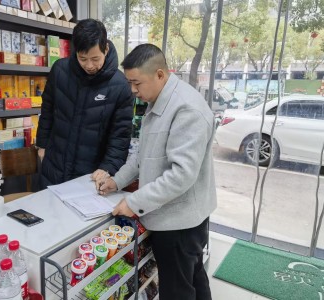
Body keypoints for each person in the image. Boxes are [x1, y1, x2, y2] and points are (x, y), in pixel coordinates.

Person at [94, 44, 217, 300]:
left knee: (177, 290)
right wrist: (116, 182)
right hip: (173, 217)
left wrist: (134, 202)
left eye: (136, 83)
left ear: (160, 74)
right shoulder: (158, 100)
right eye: (129, 82)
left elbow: (181, 175)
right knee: (192, 278)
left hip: (180, 222)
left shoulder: (186, 109)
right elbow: (142, 156)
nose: (133, 90)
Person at [36, 19, 134, 186]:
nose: (89, 65)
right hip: (54, 164)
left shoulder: (121, 85)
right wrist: (42, 146)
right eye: (83, 58)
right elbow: (47, 110)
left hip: (91, 173)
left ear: (106, 49)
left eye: (95, 59)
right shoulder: (59, 71)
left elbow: (120, 135)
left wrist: (108, 167)